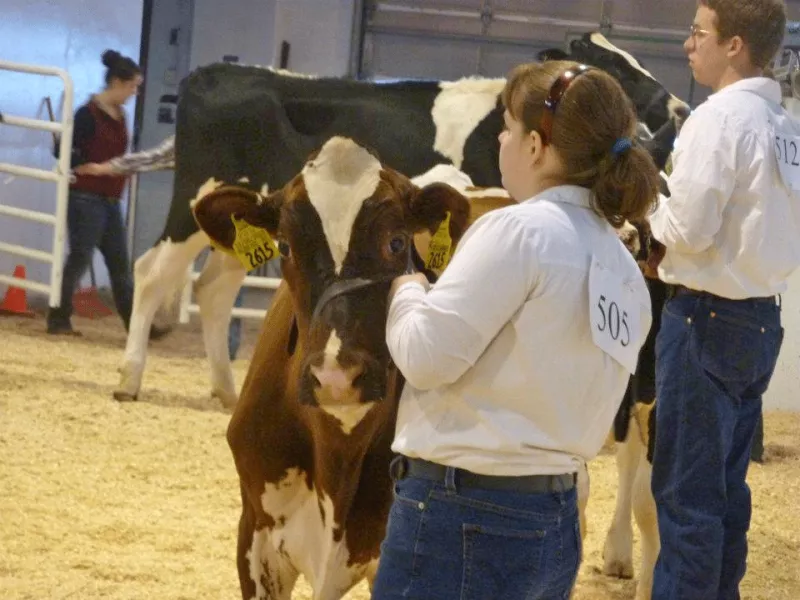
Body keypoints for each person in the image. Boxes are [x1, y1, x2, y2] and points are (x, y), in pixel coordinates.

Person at [370, 60, 659, 600]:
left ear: (534, 147)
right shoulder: (625, 271)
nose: (500, 139)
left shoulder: (517, 229)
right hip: (555, 518)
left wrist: (406, 287)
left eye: (506, 126)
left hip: (460, 514)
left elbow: (425, 357)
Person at [647, 1, 794, 598]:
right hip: (760, 321)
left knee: (686, 501)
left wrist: (645, 202)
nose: (688, 44)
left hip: (704, 319)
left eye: (697, 32)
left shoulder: (718, 120)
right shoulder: (786, 127)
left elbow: (688, 229)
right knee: (727, 493)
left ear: (734, 45)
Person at [79, 134, 245, 359]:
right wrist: (110, 167)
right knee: (235, 274)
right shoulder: (222, 129)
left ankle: (226, 348)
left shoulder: (204, 126)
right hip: (236, 211)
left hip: (220, 210)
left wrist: (109, 167)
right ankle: (227, 348)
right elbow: (158, 156)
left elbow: (156, 157)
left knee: (233, 273)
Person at [48, 49, 167, 340]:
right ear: (116, 82)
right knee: (79, 258)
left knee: (120, 266)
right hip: (86, 198)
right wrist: (83, 166)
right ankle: (59, 317)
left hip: (111, 199)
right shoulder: (86, 115)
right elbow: (62, 151)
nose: (134, 92)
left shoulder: (120, 116)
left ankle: (137, 327)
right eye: (132, 86)